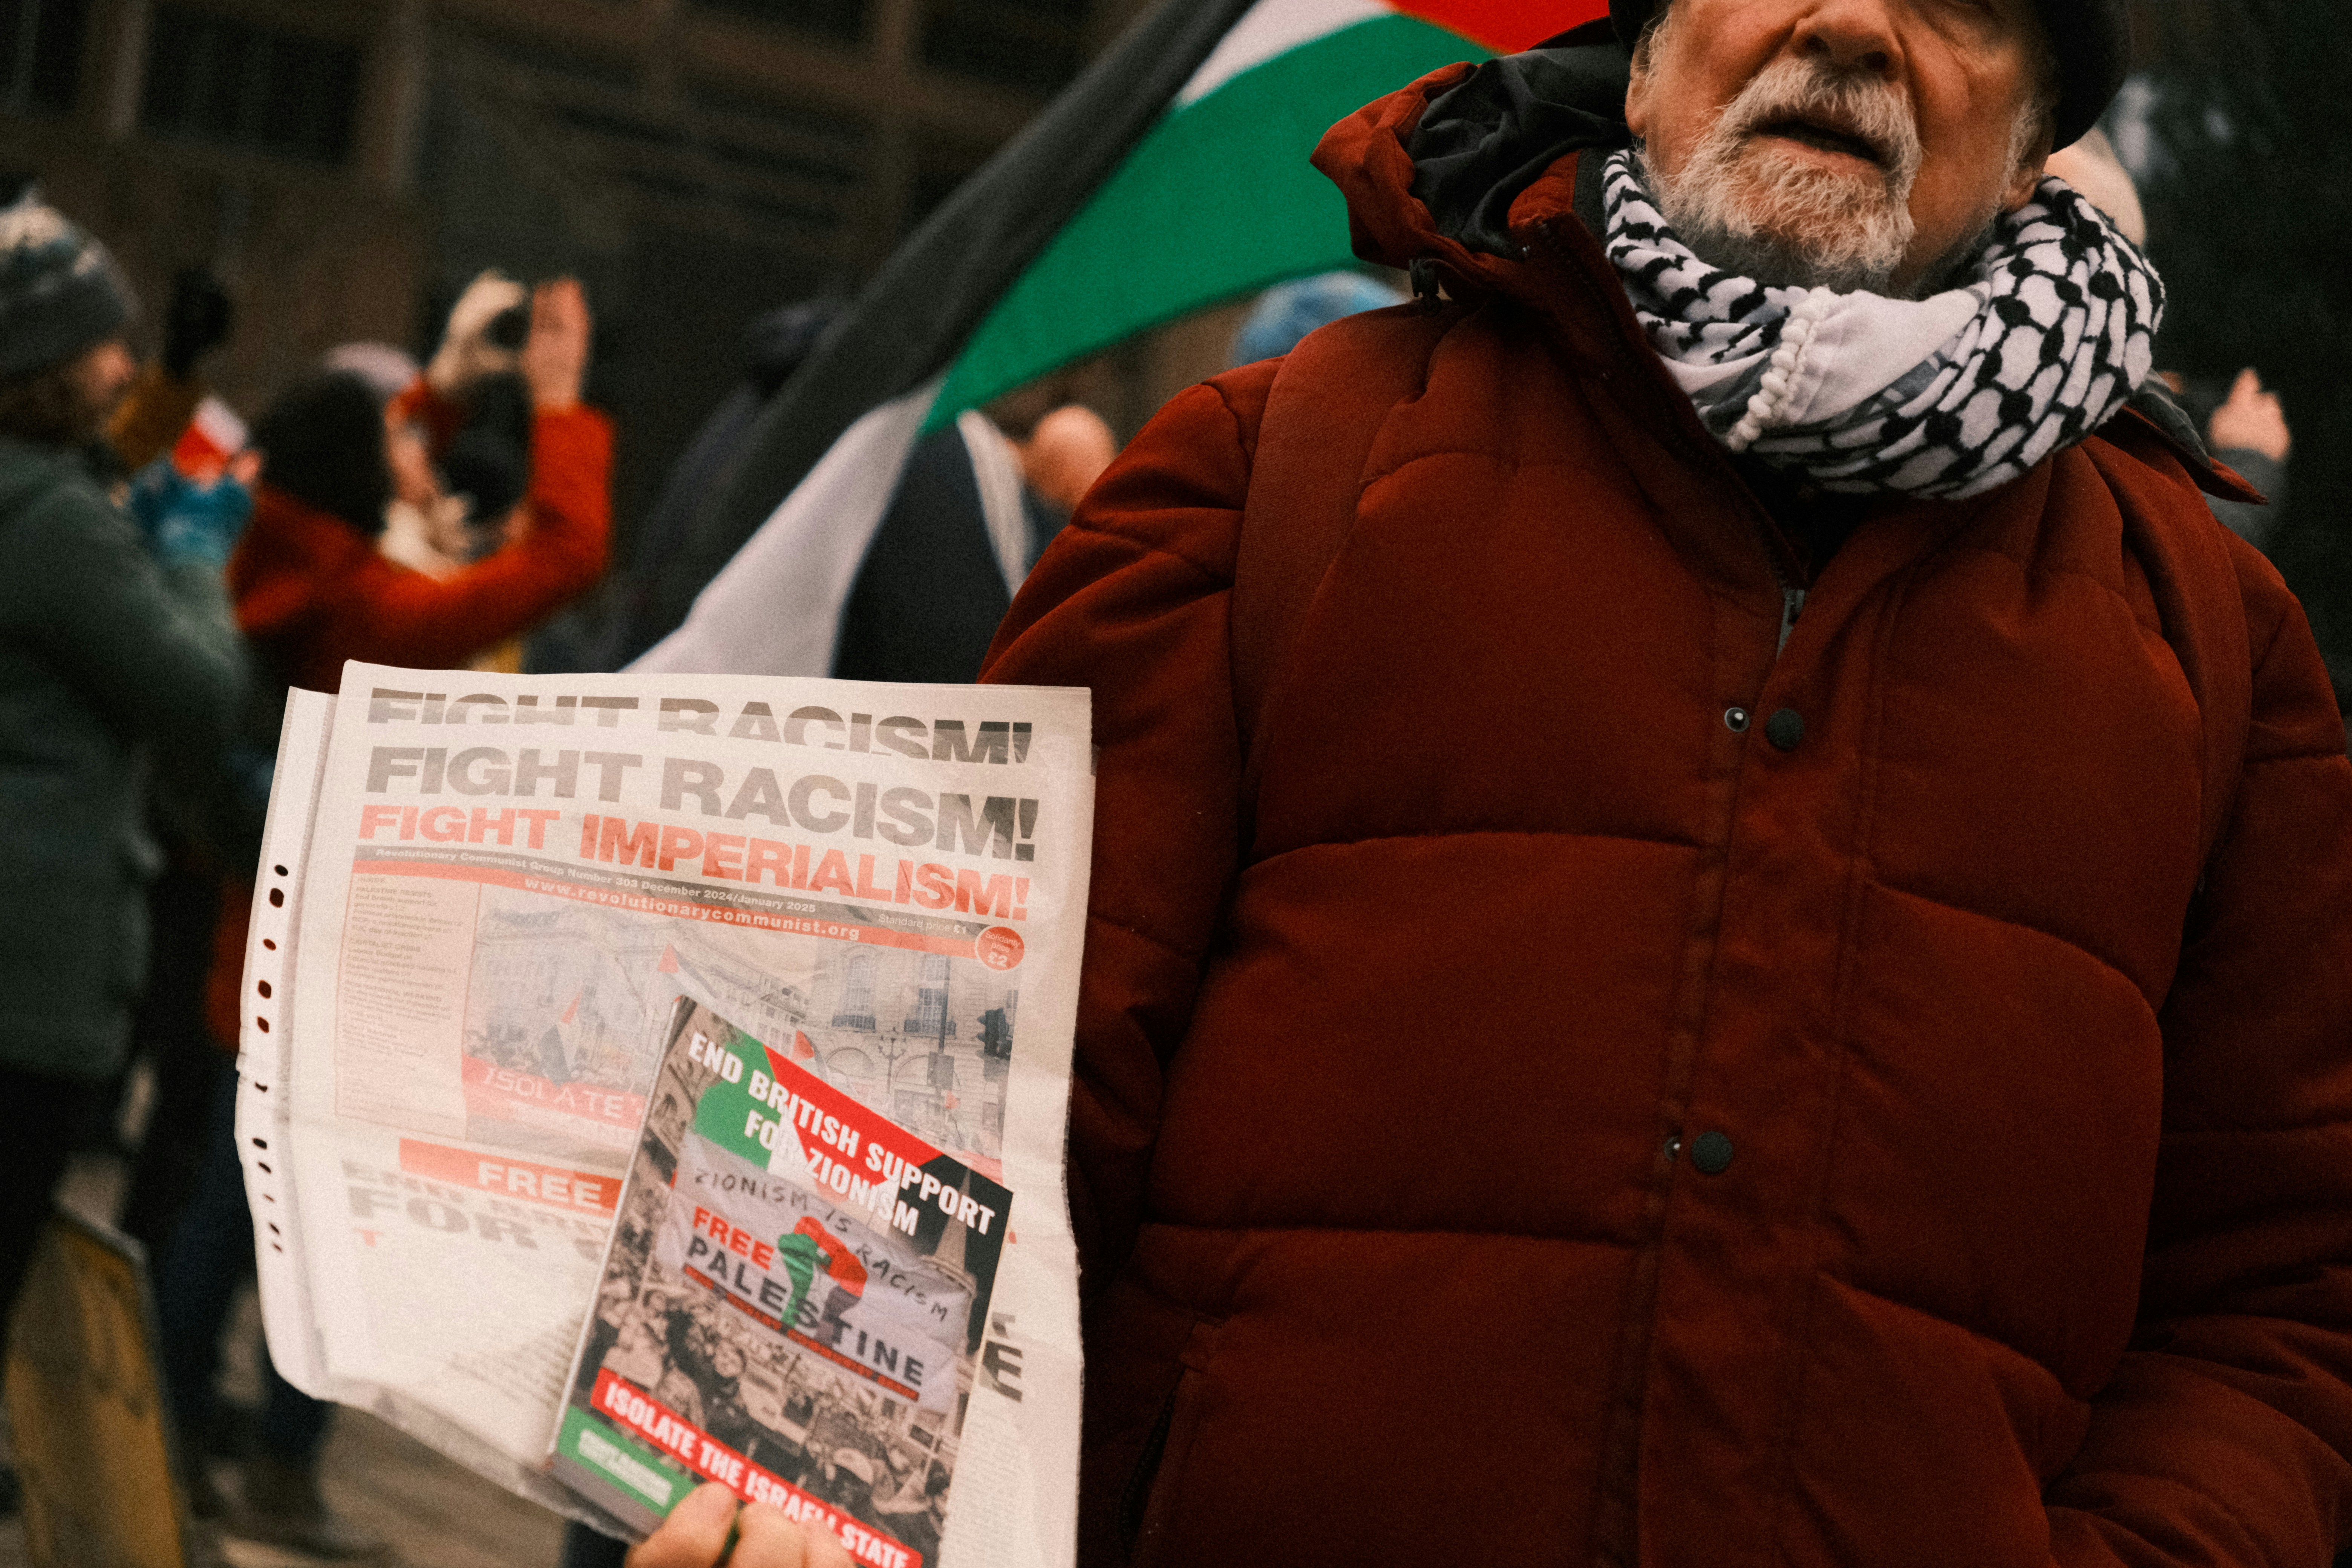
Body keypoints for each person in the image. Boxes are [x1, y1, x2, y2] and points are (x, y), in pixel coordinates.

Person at [978, 0, 2352, 1562]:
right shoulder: (1271, 472)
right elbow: (965, 1106)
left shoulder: (2217, 650)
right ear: (1640, 68)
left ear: (2038, 144)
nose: (1846, 24)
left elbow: (2280, 1304)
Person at [0, 191, 243, 1477]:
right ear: (43, 362)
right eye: (102, 342)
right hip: (31, 985)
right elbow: (200, 699)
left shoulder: (46, 504)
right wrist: (201, 564)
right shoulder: (54, 527)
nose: (121, 365)